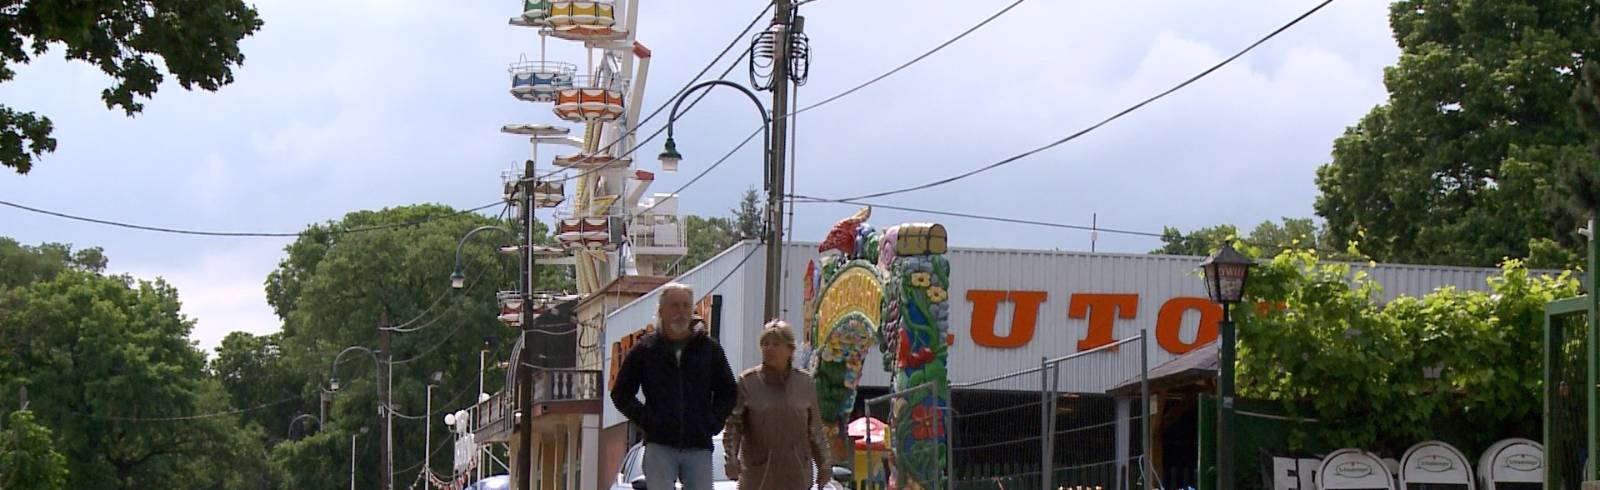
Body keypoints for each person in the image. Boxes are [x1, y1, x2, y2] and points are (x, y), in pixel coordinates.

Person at [611, 283, 738, 490]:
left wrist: (713, 422)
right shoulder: (645, 349)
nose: (681, 312)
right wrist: (647, 420)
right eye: (675, 306)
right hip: (659, 445)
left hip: (698, 446)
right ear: (661, 311)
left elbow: (729, 391)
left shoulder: (709, 349)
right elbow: (621, 393)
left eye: (686, 306)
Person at [724, 320, 833, 490]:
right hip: (758, 477)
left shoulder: (805, 383)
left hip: (796, 476)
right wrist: (730, 458)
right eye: (765, 344)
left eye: (776, 344)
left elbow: (816, 430)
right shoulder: (748, 382)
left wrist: (825, 464)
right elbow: (733, 426)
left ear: (790, 350)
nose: (769, 349)